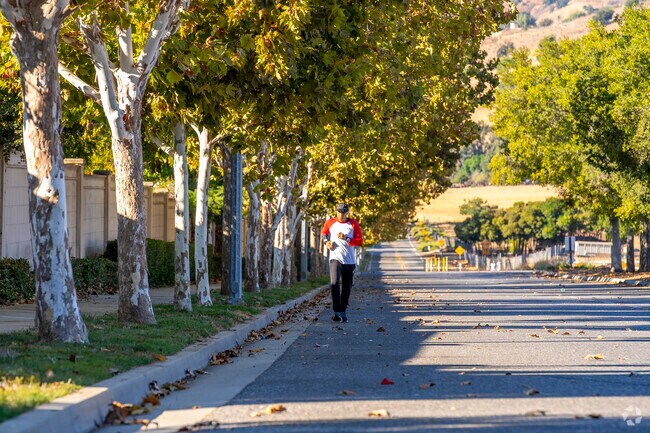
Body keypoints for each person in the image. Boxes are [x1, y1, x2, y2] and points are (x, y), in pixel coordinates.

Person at [321, 203, 363, 322]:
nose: (341, 214)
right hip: (335, 257)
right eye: (339, 212)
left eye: (343, 212)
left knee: (346, 286)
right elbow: (324, 233)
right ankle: (337, 311)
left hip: (349, 260)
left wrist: (347, 238)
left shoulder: (353, 224)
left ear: (347, 213)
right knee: (334, 283)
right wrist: (326, 242)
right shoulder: (330, 222)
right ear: (336, 212)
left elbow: (359, 241)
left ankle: (343, 309)